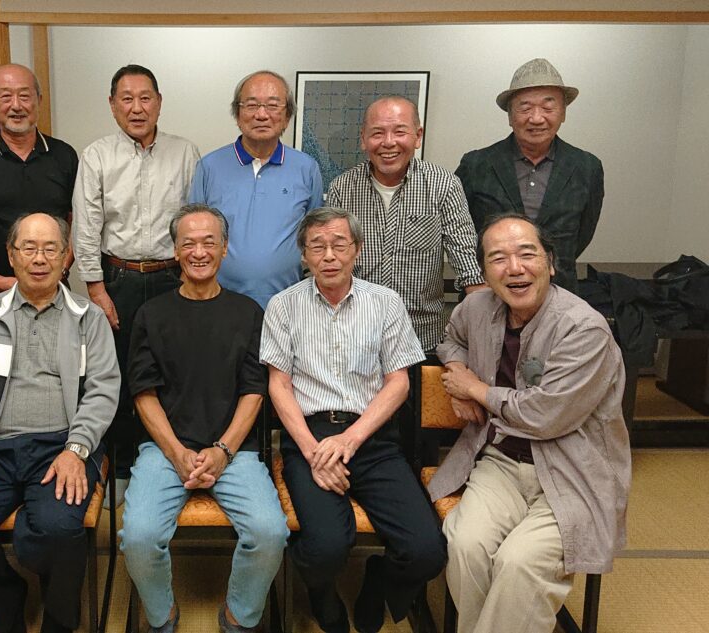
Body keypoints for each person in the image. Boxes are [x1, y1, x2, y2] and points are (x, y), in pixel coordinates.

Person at [428, 213, 630, 633]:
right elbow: (450, 339)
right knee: (466, 544)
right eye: (498, 258)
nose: (514, 268)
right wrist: (457, 373)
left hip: (572, 471)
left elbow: (544, 415)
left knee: (518, 562)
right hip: (500, 461)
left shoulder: (583, 328)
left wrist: (475, 390)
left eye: (526, 254)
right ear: (484, 272)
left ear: (550, 263)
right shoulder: (476, 307)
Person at [261, 207, 445, 633]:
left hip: (372, 436)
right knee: (326, 546)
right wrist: (314, 452)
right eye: (317, 246)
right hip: (310, 437)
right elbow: (279, 386)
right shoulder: (283, 306)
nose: (329, 256)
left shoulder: (385, 302)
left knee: (426, 551)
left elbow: (398, 383)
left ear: (357, 251)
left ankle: (378, 580)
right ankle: (321, 591)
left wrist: (351, 439)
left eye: (339, 245)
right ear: (303, 255)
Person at [0, 212, 118, 633]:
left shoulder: (88, 318)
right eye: (29, 248)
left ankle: (58, 622)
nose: (40, 258)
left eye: (51, 248)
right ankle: (9, 602)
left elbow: (104, 391)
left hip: (62, 447)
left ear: (66, 257)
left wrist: (77, 450)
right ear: (11, 255)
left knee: (57, 531)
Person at [121, 204, 288, 633]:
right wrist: (177, 453)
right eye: (189, 243)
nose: (199, 252)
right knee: (138, 537)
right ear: (175, 251)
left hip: (234, 450)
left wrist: (223, 450)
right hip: (164, 450)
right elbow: (143, 393)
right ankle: (162, 616)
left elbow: (254, 391)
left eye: (209, 242)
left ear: (225, 249)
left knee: (270, 533)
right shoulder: (151, 314)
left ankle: (238, 617)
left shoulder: (249, 313)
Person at [72, 64, 201, 502]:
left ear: (159, 102)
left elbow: (196, 219)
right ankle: (122, 466)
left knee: (172, 374)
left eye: (145, 98)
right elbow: (86, 227)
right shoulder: (97, 155)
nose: (137, 107)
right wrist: (96, 289)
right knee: (120, 376)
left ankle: (169, 461)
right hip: (119, 279)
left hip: (172, 277)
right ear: (112, 106)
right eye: (126, 99)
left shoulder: (185, 153)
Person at [327, 95, 484, 351]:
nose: (388, 142)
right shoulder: (342, 189)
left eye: (399, 132)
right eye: (377, 133)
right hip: (355, 336)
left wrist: (483, 338)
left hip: (421, 338)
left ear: (417, 136)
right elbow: (331, 262)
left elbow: (467, 265)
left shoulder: (443, 185)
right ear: (363, 139)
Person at [456, 58, 604, 293]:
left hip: (559, 292)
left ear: (563, 113)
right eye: (525, 108)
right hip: (490, 293)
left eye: (548, 108)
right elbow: (459, 234)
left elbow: (583, 235)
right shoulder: (475, 165)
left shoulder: (587, 167)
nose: (536, 118)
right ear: (509, 116)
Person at [190, 70, 323, 309]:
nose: (262, 114)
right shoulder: (209, 167)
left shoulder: (307, 168)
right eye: (251, 105)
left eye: (273, 105)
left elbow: (316, 239)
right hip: (219, 304)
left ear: (287, 116)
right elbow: (193, 237)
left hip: (289, 304)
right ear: (237, 114)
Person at [0, 64, 79, 309]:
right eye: (6, 96)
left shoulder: (64, 155)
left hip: (52, 281)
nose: (16, 105)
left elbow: (76, 221)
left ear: (39, 100)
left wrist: (62, 269)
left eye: (25, 95)